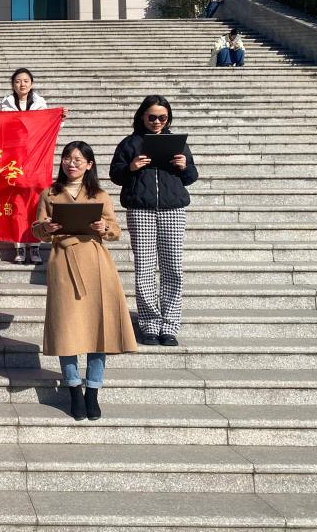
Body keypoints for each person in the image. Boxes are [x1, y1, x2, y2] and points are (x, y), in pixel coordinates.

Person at [32, 141, 137, 421]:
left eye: (79, 159)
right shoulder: (50, 194)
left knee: (99, 328)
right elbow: (36, 229)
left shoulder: (99, 194)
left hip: (96, 263)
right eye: (68, 158)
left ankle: (93, 390)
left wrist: (105, 227)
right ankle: (73, 389)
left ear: (89, 165)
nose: (72, 163)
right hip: (63, 262)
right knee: (66, 330)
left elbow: (115, 230)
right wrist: (47, 227)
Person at [109, 95, 198, 346]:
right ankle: (149, 324)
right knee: (145, 268)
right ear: (142, 116)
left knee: (173, 268)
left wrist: (184, 166)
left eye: (163, 117)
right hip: (140, 209)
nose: (157, 122)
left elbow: (192, 176)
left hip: (173, 209)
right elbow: (115, 174)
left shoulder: (177, 143)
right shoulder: (130, 143)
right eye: (152, 117)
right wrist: (131, 167)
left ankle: (169, 325)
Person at [0, 67, 69, 265]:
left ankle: (35, 245)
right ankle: (19, 246)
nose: (22, 84)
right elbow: (0, 129)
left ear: (31, 84)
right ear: (13, 85)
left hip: (37, 159)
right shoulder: (5, 104)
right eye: (17, 81)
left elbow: (48, 126)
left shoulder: (40, 103)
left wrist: (59, 118)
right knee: (17, 204)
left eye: (25, 81)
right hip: (14, 159)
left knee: (36, 203)